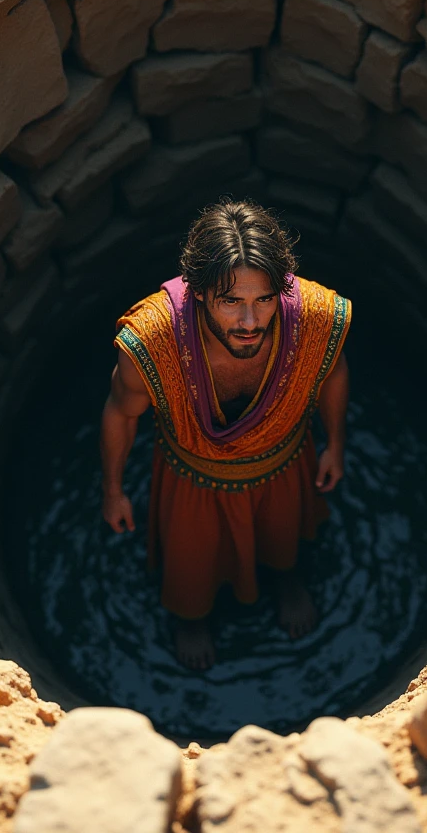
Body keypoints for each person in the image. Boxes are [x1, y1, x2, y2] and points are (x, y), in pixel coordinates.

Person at [100, 200, 351, 670]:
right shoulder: (155, 342)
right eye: (231, 301)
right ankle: (191, 620)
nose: (250, 322)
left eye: (263, 300)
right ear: (197, 293)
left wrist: (335, 443)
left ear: (283, 290)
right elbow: (120, 412)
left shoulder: (314, 317)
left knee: (284, 543)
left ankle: (287, 582)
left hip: (283, 462)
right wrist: (113, 491)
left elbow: (332, 371)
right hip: (192, 480)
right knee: (191, 567)